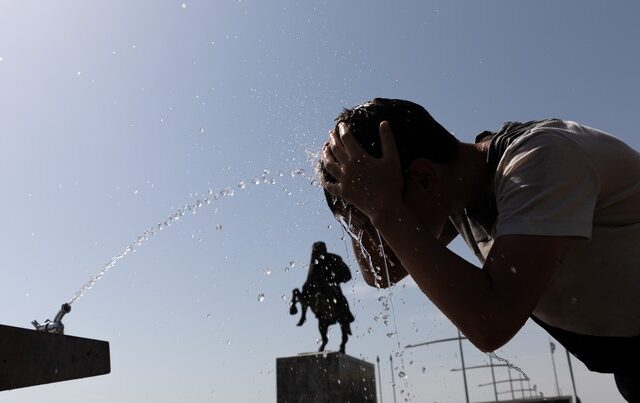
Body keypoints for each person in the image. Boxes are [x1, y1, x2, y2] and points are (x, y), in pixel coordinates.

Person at [319, 98, 640, 400]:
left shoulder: (540, 161)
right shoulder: (456, 194)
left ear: (424, 178)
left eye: (377, 221)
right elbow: (382, 272)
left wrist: (383, 210)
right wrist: (359, 202)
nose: (383, 231)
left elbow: (491, 322)